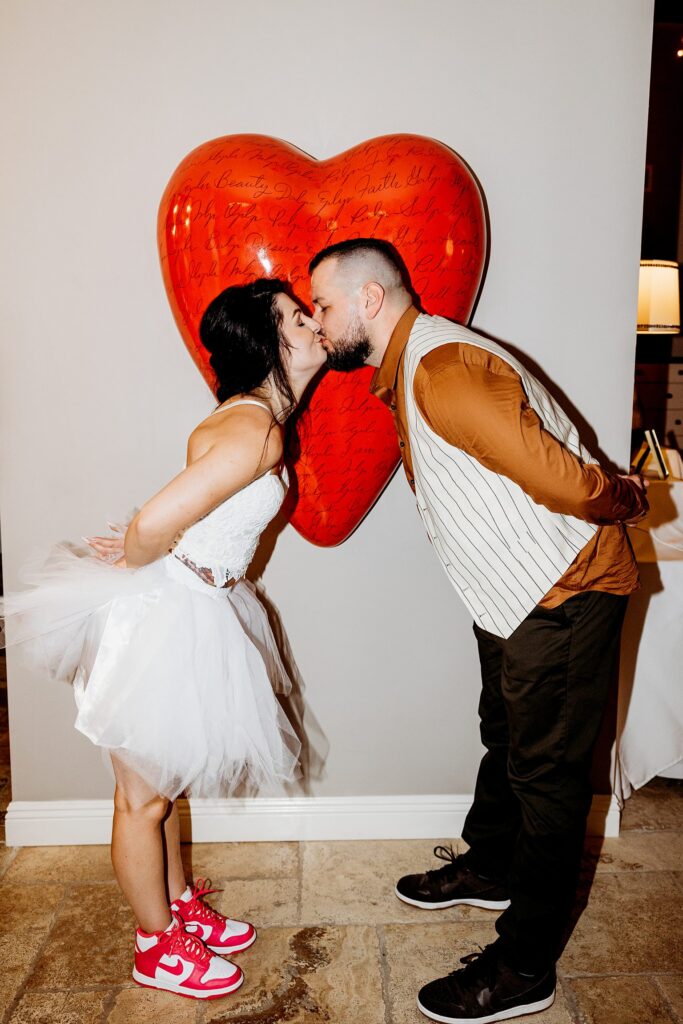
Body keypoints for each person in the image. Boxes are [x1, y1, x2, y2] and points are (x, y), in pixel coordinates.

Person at [309, 238, 648, 1024]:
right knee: (504, 733)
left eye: (323, 305)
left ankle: (524, 967)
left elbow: (558, 477)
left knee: (547, 779)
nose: (319, 322)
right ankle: (491, 863)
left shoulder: (441, 367)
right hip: (513, 594)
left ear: (368, 299)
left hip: (561, 595)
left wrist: (623, 497)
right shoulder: (413, 365)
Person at [1, 278, 326, 1000]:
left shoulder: (251, 418)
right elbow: (152, 526)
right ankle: (156, 948)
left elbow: (172, 522)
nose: (313, 325)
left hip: (186, 602)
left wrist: (150, 548)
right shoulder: (257, 430)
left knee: (162, 784)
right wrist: (141, 551)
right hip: (166, 616)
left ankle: (177, 910)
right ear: (268, 343)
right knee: (142, 801)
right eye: (297, 318)